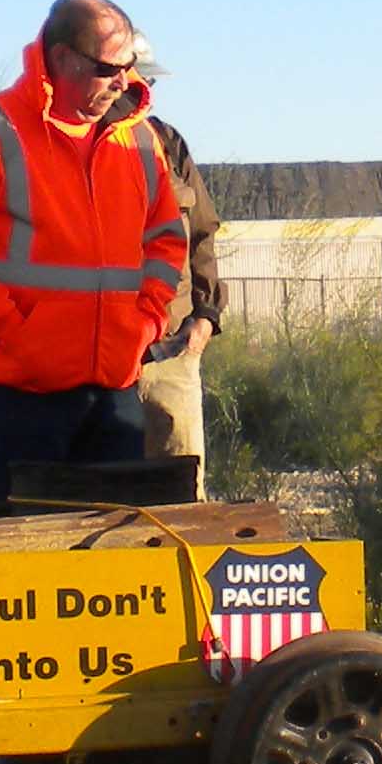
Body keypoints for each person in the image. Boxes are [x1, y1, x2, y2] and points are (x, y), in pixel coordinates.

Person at [0, 0, 190, 512]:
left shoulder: (141, 143)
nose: (123, 82)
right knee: (25, 560)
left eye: (128, 68)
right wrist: (16, 331)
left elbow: (167, 240)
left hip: (114, 391)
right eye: (108, 68)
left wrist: (145, 323)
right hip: (22, 398)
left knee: (113, 559)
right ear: (62, 59)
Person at [103, 40, 224, 492]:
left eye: (146, 78)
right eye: (137, 76)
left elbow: (203, 234)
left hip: (171, 352)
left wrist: (206, 318)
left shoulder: (166, 143)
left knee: (183, 496)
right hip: (92, 364)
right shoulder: (61, 148)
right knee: (99, 501)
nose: (140, 87)